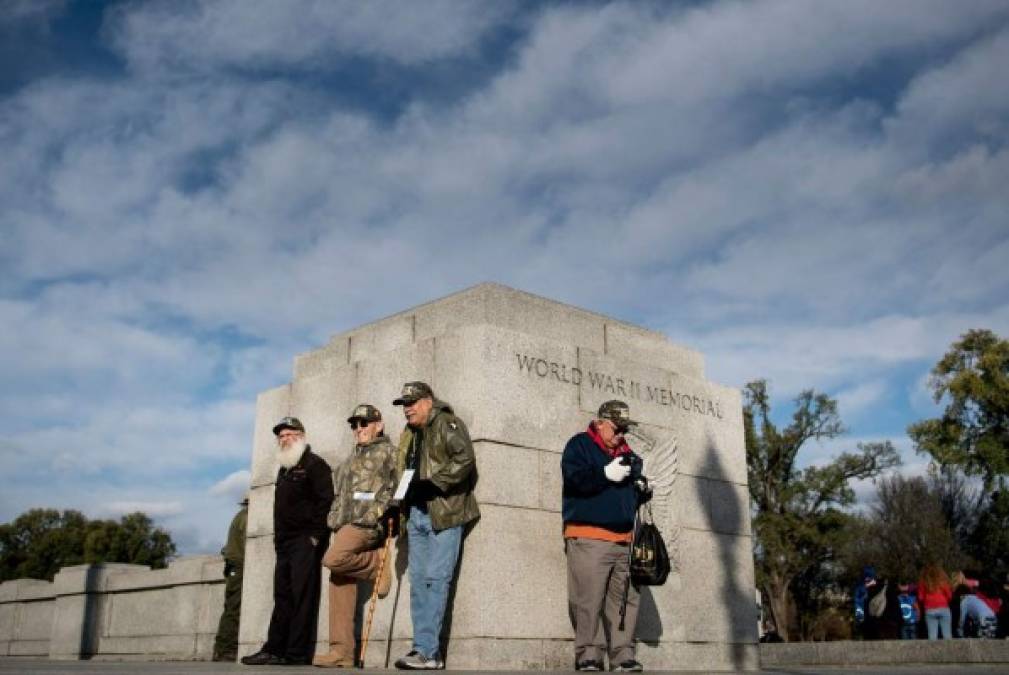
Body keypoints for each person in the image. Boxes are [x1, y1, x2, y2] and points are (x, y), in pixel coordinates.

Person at [392, 381, 480, 670]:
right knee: (418, 583)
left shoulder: (448, 423)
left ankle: (429, 652)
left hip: (444, 513)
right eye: (404, 404)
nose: (408, 409)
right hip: (416, 514)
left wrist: (434, 484)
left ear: (428, 401)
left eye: (413, 402)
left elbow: (465, 458)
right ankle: (422, 649)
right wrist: (396, 505)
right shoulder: (410, 434)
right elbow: (406, 474)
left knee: (435, 578)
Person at [562, 400, 648, 672]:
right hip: (589, 538)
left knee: (625, 602)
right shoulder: (579, 446)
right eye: (617, 428)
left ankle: (623, 655)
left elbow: (629, 498)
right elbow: (575, 480)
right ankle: (589, 654)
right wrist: (604, 473)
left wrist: (643, 490)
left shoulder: (629, 455)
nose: (622, 435)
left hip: (624, 540)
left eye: (625, 430)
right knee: (587, 599)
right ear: (600, 423)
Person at [243, 417, 334, 666]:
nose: (285, 439)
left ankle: (295, 653)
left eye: (290, 434)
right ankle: (274, 649)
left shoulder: (315, 465)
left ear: (301, 436)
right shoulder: (285, 468)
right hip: (283, 543)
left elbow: (326, 501)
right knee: (282, 596)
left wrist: (315, 537)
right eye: (281, 436)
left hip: (305, 542)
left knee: (302, 596)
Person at [313, 404, 398, 668]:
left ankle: (376, 565)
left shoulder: (389, 452)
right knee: (339, 586)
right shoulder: (349, 460)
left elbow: (400, 484)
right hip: (344, 525)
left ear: (378, 425)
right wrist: (333, 518)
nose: (358, 428)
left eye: (364, 423)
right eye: (354, 425)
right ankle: (342, 653)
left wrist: (381, 511)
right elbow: (339, 494)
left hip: (367, 525)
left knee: (333, 559)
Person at [213, 494, 248, 661]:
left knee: (231, 608)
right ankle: (226, 650)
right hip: (239, 567)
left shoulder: (239, 516)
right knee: (234, 609)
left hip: (233, 566)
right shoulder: (247, 518)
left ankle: (222, 649)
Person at [917, 564, 953, 640]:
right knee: (947, 636)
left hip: (929, 609)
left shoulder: (923, 583)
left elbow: (920, 598)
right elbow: (949, 596)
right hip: (943, 608)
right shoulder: (943, 581)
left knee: (932, 637)